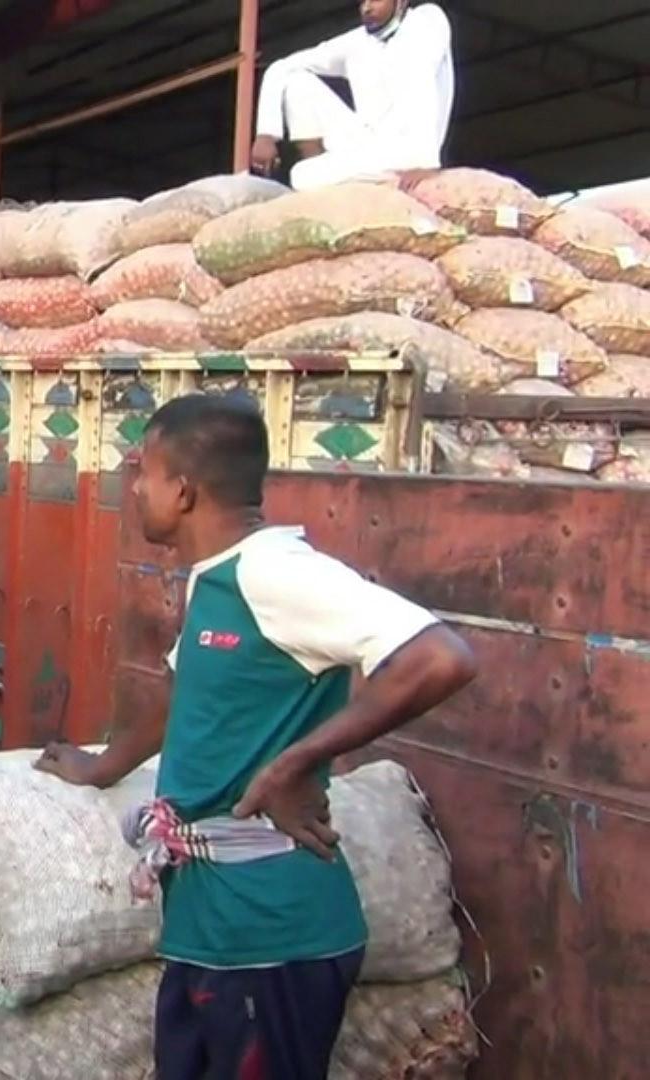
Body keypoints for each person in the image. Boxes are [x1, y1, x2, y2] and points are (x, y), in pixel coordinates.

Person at [34, 395, 477, 1080]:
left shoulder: (276, 574)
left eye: (143, 473)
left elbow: (441, 658)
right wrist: (102, 767)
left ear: (182, 489)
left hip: (271, 936)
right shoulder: (218, 579)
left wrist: (297, 762)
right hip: (214, 927)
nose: (136, 489)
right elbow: (188, 694)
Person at [249, 0, 455, 191]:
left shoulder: (425, 21)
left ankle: (349, 180)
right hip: (368, 146)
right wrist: (266, 134)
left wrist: (425, 162)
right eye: (363, 1)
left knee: (302, 176)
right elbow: (282, 67)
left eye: (376, 0)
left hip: (406, 150)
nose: (366, 8)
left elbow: (423, 84)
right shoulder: (357, 42)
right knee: (297, 81)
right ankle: (326, 178)